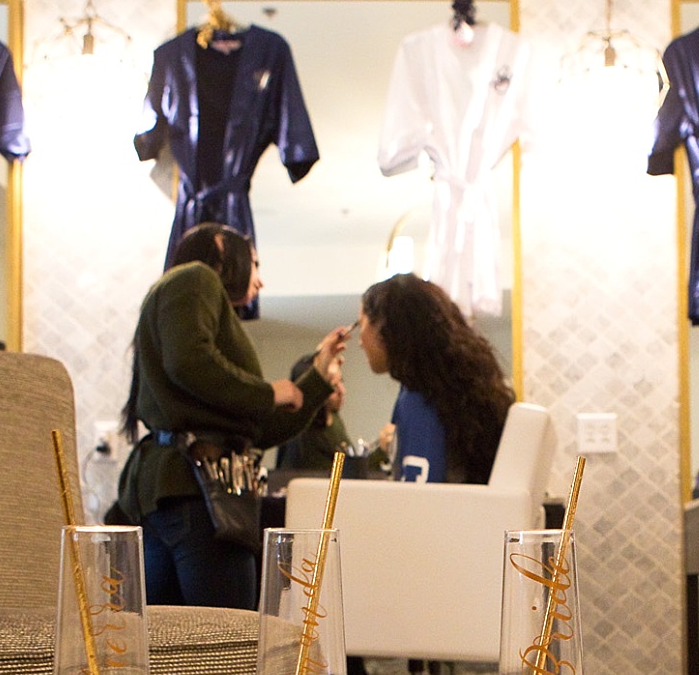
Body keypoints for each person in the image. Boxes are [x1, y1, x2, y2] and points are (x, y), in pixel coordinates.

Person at [117, 222, 348, 609]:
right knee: (229, 640)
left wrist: (316, 379)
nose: (260, 281)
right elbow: (190, 362)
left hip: (175, 488)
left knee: (165, 642)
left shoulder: (181, 296)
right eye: (255, 263)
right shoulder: (196, 277)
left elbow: (254, 429)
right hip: (200, 490)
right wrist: (268, 391)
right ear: (222, 247)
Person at [359, 274, 514, 484]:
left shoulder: (418, 402)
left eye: (361, 325)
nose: (360, 341)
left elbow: (419, 503)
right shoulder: (454, 394)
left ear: (382, 328)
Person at [274, 351, 352, 472]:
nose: (342, 391)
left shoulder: (334, 418)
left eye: (341, 382)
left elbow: (350, 469)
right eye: (333, 386)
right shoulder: (300, 435)